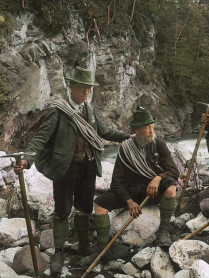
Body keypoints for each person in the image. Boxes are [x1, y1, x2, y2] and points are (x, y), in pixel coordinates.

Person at [13, 66, 131, 274]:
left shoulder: (90, 111)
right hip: (65, 168)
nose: (85, 93)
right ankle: (59, 252)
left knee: (84, 207)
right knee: (62, 210)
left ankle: (83, 245)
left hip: (88, 166)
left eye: (88, 89)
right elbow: (41, 138)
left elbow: (105, 131)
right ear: (71, 86)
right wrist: (26, 160)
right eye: (81, 88)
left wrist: (126, 137)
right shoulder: (57, 110)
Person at [79, 107, 179, 266]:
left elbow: (174, 171)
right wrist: (129, 201)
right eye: (147, 128)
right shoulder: (125, 149)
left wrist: (158, 178)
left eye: (152, 127)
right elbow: (116, 182)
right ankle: (101, 249)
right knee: (99, 203)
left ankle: (163, 231)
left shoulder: (159, 145)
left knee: (171, 186)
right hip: (131, 193)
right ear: (137, 130)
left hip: (151, 193)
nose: (151, 131)